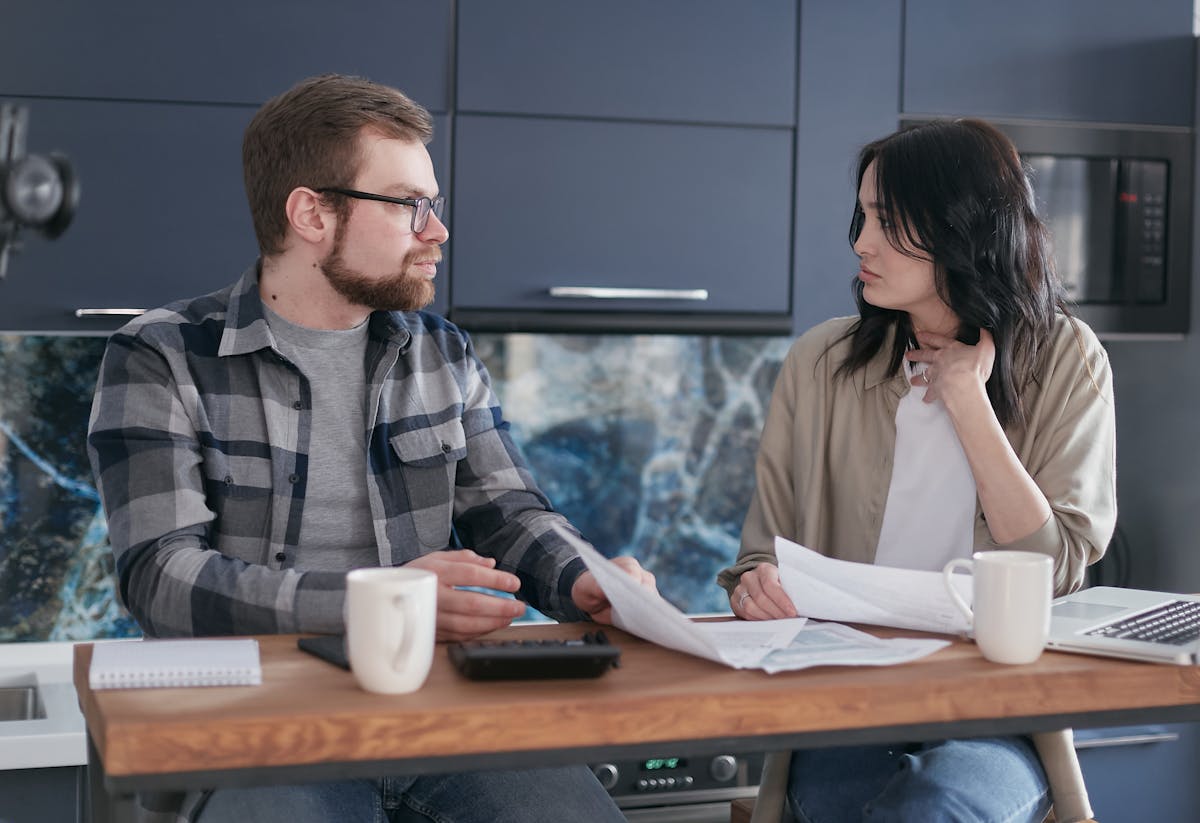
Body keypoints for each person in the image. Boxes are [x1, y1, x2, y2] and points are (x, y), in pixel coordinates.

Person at [87, 73, 654, 823]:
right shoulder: (161, 355)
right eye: (409, 206)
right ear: (312, 214)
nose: (438, 231)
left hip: (439, 718)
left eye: (435, 206)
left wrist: (585, 580)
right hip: (257, 729)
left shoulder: (440, 352)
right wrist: (379, 601)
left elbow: (507, 509)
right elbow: (160, 577)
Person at [718, 118, 1115, 823]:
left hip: (997, 714)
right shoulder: (820, 363)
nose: (860, 243)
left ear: (964, 231)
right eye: (863, 216)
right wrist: (756, 587)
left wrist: (968, 401)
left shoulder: (1066, 359)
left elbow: (1053, 569)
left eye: (888, 221)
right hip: (845, 706)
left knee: (934, 809)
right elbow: (760, 555)